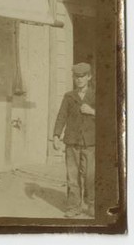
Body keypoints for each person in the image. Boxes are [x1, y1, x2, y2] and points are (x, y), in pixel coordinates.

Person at [53, 62, 96, 218]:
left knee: (90, 175)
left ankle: (91, 204)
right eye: (76, 77)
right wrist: (56, 135)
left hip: (90, 143)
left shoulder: (96, 95)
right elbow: (61, 116)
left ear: (89, 77)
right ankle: (73, 206)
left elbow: (110, 117)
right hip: (71, 142)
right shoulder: (69, 96)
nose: (79, 80)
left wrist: (92, 111)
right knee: (72, 176)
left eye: (82, 76)